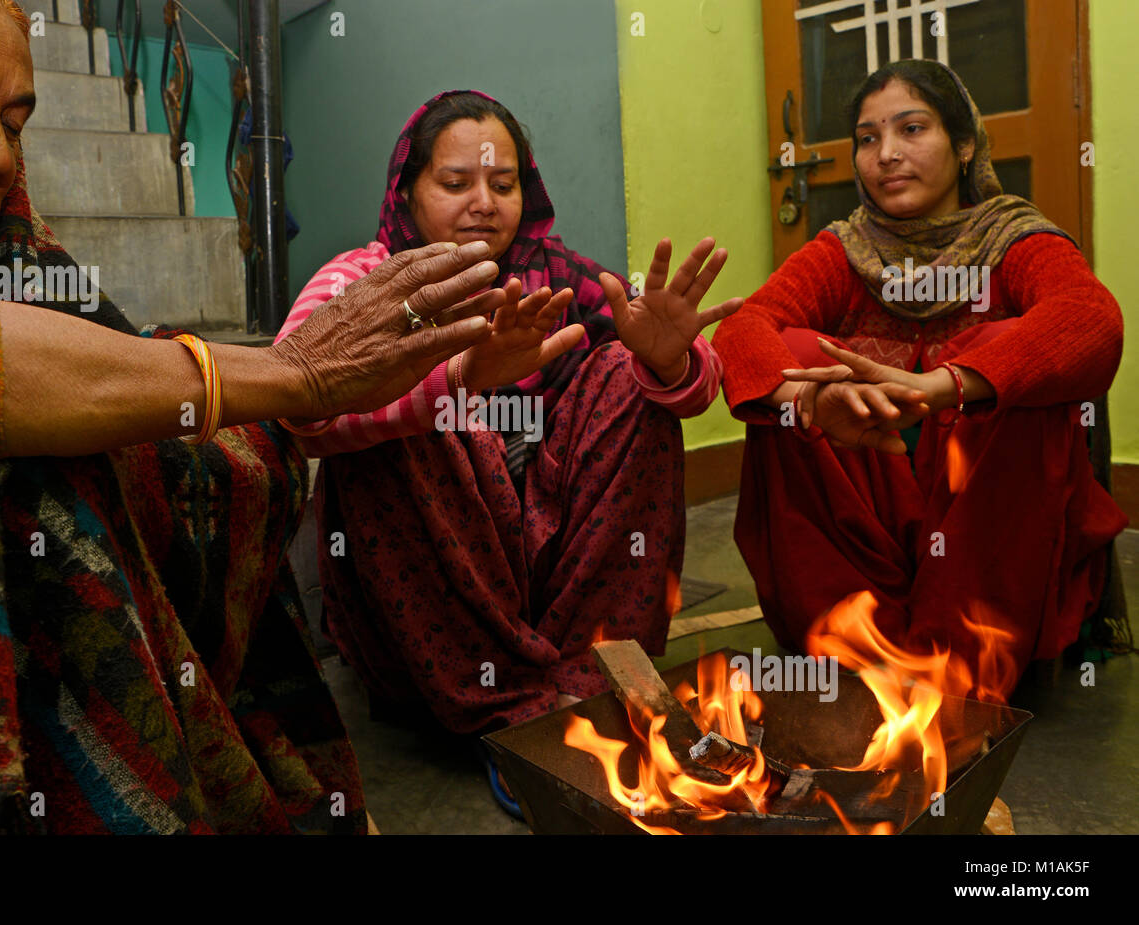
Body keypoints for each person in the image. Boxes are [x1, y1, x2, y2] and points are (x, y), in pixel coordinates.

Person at [0, 0, 501, 833]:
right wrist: (293, 375)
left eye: (14, 121)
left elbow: (112, 365)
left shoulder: (14, 263)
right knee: (19, 464)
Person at [279, 90, 743, 743]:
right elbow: (293, 402)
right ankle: (507, 718)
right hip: (425, 622)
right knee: (412, 392)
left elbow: (694, 383)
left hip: (543, 567)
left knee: (626, 375)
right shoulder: (362, 282)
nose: (484, 202)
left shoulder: (554, 278)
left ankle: (589, 685)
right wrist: (458, 377)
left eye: (504, 183)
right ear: (406, 193)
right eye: (455, 182)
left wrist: (671, 364)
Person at [711, 59, 1127, 691]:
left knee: (1011, 346)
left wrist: (945, 386)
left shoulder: (1011, 237)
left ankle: (960, 664)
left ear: (964, 146)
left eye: (912, 129)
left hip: (979, 525)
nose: (886, 155)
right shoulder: (848, 246)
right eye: (868, 138)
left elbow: (1091, 319)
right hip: (871, 491)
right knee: (794, 355)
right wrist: (811, 399)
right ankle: (852, 643)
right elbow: (744, 329)